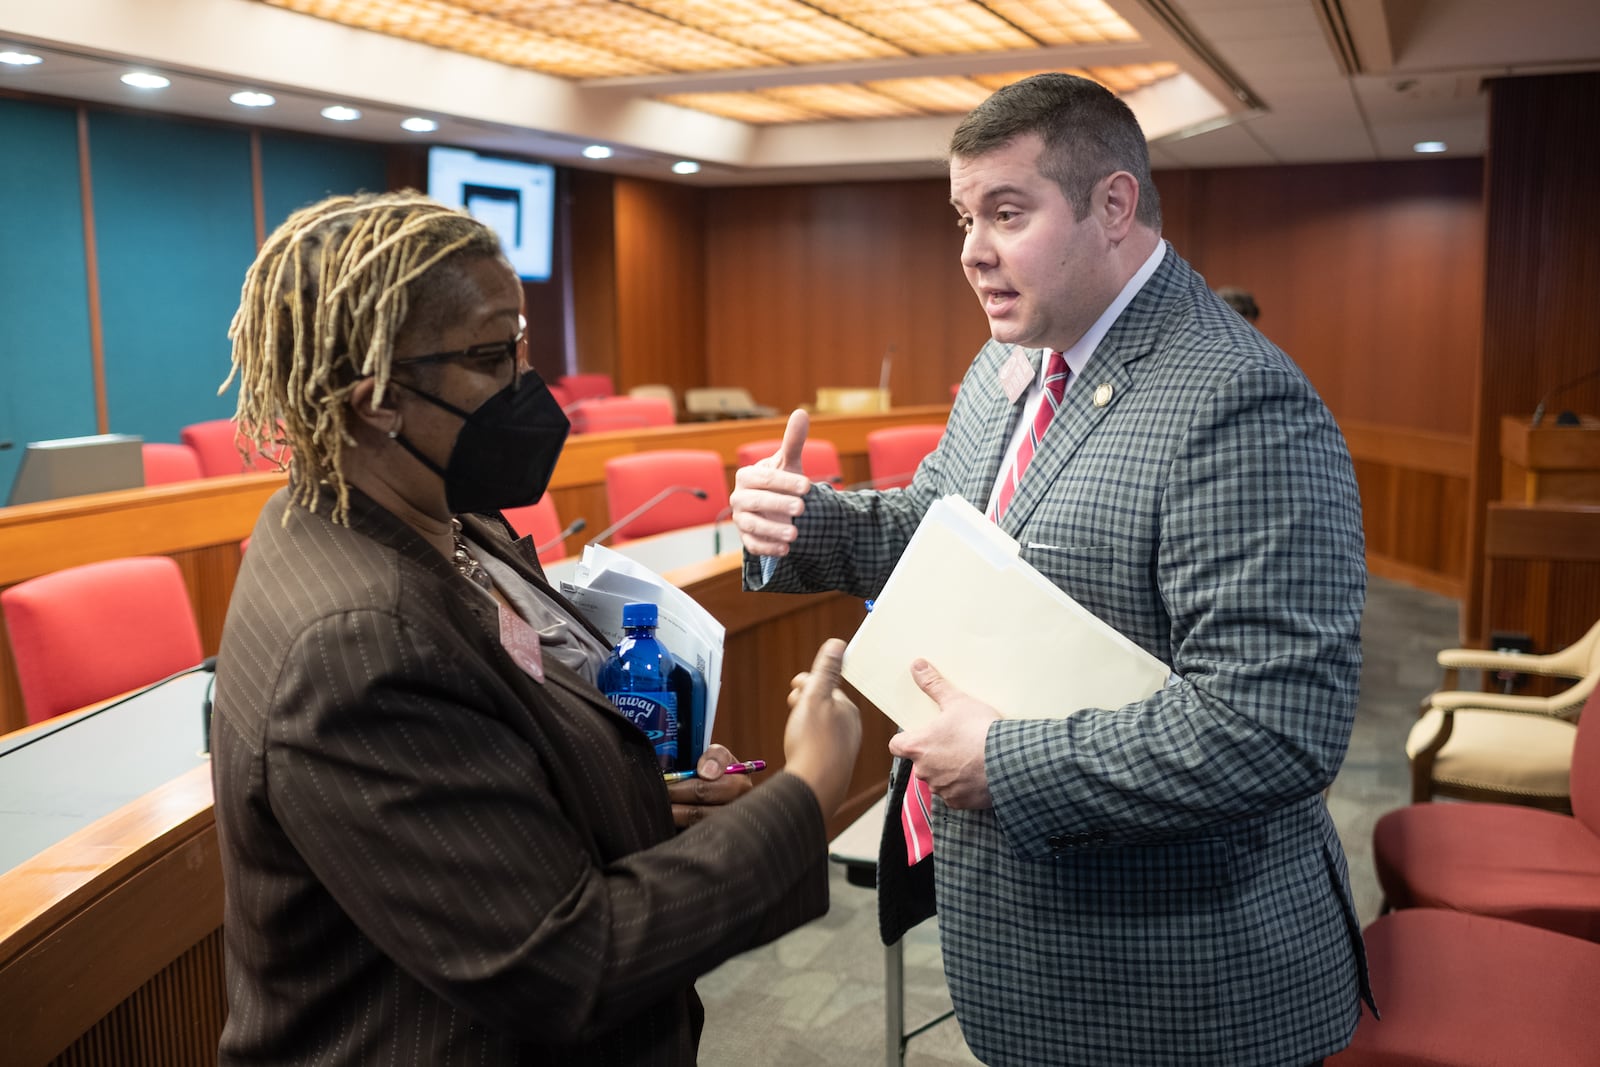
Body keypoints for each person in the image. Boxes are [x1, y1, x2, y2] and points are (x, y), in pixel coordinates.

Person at [731, 74, 1370, 1066]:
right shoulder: (1008, 364)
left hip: (1179, 987)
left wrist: (1005, 761)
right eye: (962, 216)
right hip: (1043, 949)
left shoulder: (1236, 402)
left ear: (1112, 207)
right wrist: (802, 525)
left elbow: (1272, 729)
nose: (970, 251)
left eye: (1006, 212)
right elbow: (936, 527)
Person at [210, 190, 861, 1066]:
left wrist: (628, 801)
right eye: (492, 355)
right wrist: (810, 788)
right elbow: (568, 962)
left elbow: (493, 757)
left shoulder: (430, 516)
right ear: (375, 400)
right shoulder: (358, 642)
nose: (528, 384)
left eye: (522, 345)